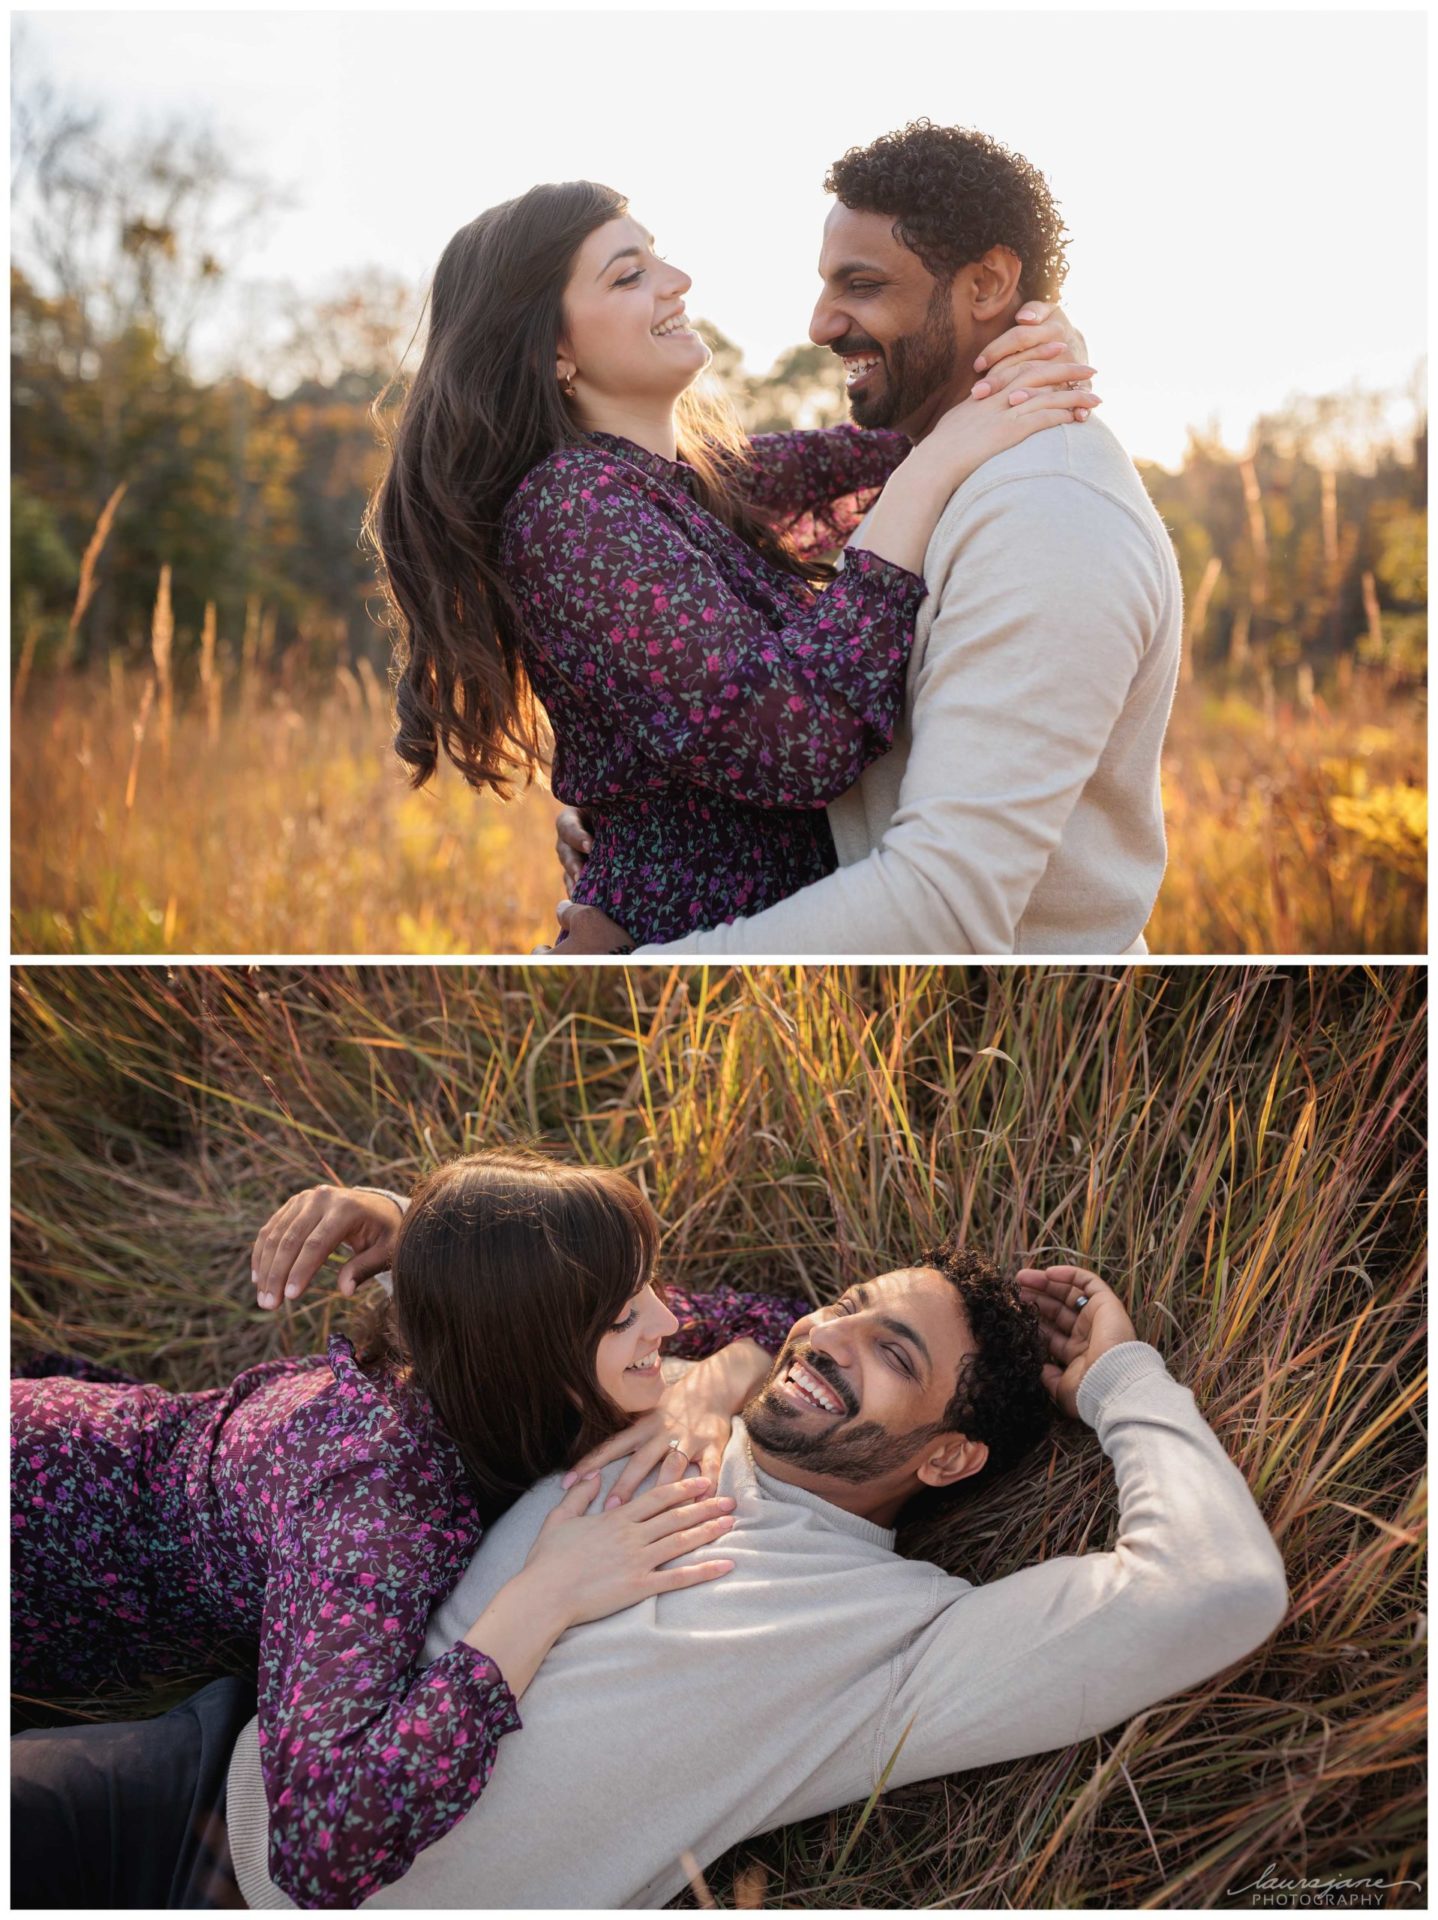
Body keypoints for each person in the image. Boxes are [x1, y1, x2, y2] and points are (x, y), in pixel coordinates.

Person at [211, 1252, 1289, 1909]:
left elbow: (1215, 1588)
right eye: (847, 1304)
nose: (827, 1337)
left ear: (949, 1455)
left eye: (892, 1354)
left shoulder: (898, 1644)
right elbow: (517, 1307)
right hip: (219, 1780)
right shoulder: (668, 1391)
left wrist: (1117, 1381)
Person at [10, 1153, 803, 1909]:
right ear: (526, 1346)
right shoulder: (382, 1500)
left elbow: (776, 1320)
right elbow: (320, 1842)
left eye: (648, 1287)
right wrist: (545, 1596)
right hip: (39, 1537)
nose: (667, 1319)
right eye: (629, 1313)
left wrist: (715, 1379)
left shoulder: (490, 1354)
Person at [368, 176, 1099, 946]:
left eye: (660, 259)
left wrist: (1038, 341)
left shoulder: (690, 483)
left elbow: (895, 443)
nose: (677, 282)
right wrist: (939, 461)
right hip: (697, 970)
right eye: (629, 275)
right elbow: (803, 744)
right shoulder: (573, 510)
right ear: (552, 348)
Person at [553, 120, 1182, 957]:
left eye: (861, 284)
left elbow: (944, 907)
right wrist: (652, 818)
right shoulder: (943, 466)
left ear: (988, 282)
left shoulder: (1049, 515)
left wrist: (634, 972)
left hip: (999, 1043)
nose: (819, 323)